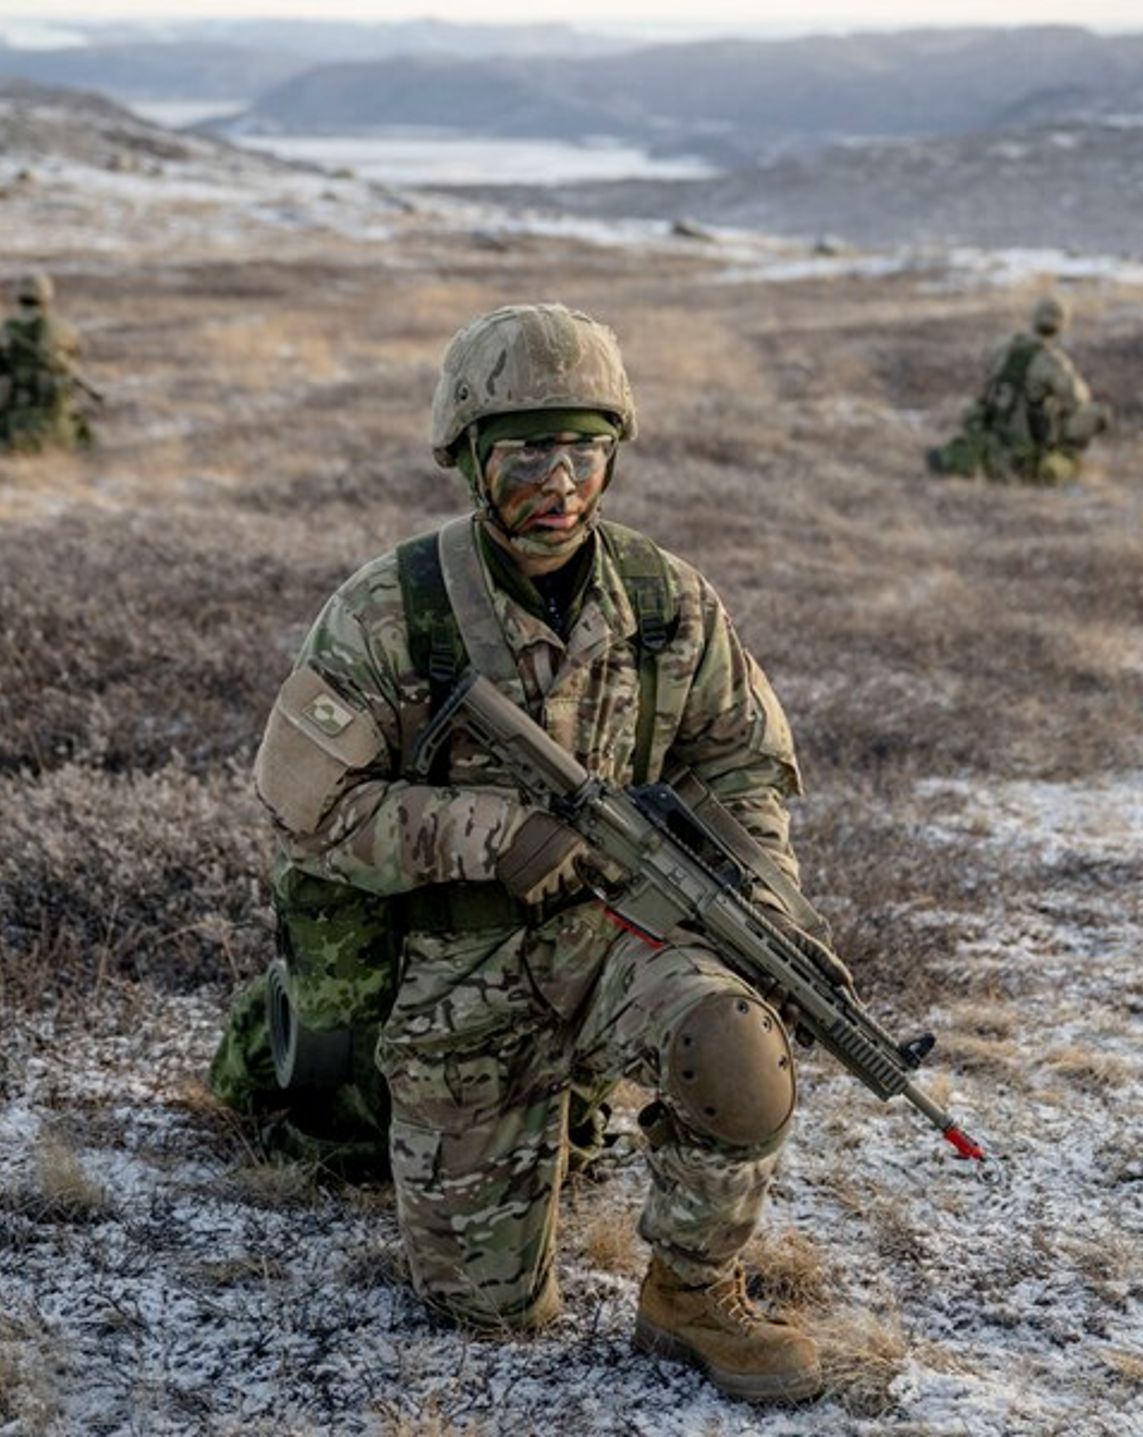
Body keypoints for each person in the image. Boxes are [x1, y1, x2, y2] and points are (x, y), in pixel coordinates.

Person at [219, 303, 825, 1404]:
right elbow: (310, 807)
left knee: (737, 1047)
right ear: (466, 454)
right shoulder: (388, 610)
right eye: (528, 451)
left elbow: (742, 764)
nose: (559, 481)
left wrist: (761, 897)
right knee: (488, 1314)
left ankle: (691, 1295)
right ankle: (402, 1091)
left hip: (619, 937)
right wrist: (491, 837)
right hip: (458, 969)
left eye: (585, 449)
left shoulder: (665, 600)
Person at [929, 292, 1109, 485]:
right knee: (1097, 414)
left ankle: (976, 457)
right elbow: (1078, 399)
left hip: (993, 428)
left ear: (1034, 317)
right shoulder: (1052, 361)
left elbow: (988, 369)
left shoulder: (1003, 346)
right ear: (1063, 324)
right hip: (1023, 441)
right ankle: (1059, 462)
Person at [0, 272, 96, 453]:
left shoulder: (3, 332)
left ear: (19, 296)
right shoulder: (65, 331)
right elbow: (78, 358)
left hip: (13, 429)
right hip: (62, 430)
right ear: (48, 296)